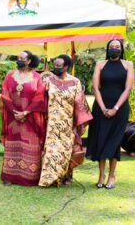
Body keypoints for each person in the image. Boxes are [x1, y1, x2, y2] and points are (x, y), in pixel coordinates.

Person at [86, 39, 134, 189]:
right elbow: (96, 88)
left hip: (120, 109)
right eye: (112, 47)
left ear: (121, 49)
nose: (115, 49)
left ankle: (112, 175)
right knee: (101, 139)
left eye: (117, 47)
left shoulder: (128, 65)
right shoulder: (100, 64)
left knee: (115, 141)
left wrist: (115, 108)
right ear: (108, 49)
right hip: (101, 108)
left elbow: (128, 89)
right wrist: (103, 108)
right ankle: (101, 175)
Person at [39, 55, 92, 187]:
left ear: (66, 67)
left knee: (67, 150)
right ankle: (49, 179)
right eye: (55, 65)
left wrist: (81, 123)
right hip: (51, 123)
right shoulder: (49, 81)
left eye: (58, 66)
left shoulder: (75, 82)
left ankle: (67, 175)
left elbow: (80, 103)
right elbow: (41, 99)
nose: (55, 68)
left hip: (68, 123)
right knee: (51, 152)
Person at [0, 50, 46, 186]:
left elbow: (39, 97)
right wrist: (14, 113)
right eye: (17, 57)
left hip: (30, 119)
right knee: (12, 145)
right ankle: (10, 176)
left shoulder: (37, 77)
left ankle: (30, 177)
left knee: (31, 145)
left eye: (22, 58)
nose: (19, 60)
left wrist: (25, 113)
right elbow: (5, 94)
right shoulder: (10, 75)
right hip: (13, 118)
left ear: (29, 60)